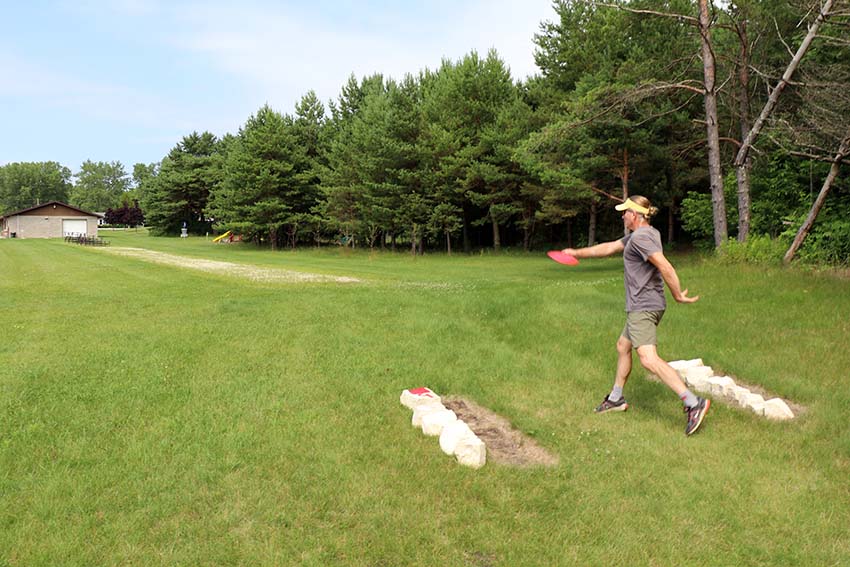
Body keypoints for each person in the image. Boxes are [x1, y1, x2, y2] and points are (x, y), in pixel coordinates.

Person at [562, 195, 711, 436]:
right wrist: (577, 252)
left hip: (644, 305)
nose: (622, 216)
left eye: (625, 212)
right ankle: (616, 398)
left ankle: (693, 402)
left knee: (648, 359)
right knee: (623, 346)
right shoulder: (641, 234)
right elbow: (609, 247)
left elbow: (665, 266)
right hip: (641, 305)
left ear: (636, 215)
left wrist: (677, 295)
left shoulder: (642, 237)